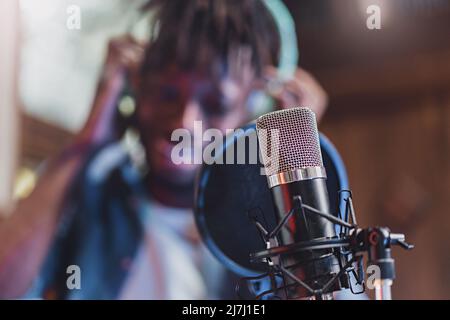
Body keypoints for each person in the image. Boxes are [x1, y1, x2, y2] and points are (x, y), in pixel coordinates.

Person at [0, 0, 328, 299]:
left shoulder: (267, 227)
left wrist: (299, 171)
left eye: (216, 104)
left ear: (253, 114)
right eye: (168, 94)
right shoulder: (90, 191)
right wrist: (88, 142)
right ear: (135, 92)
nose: (185, 122)